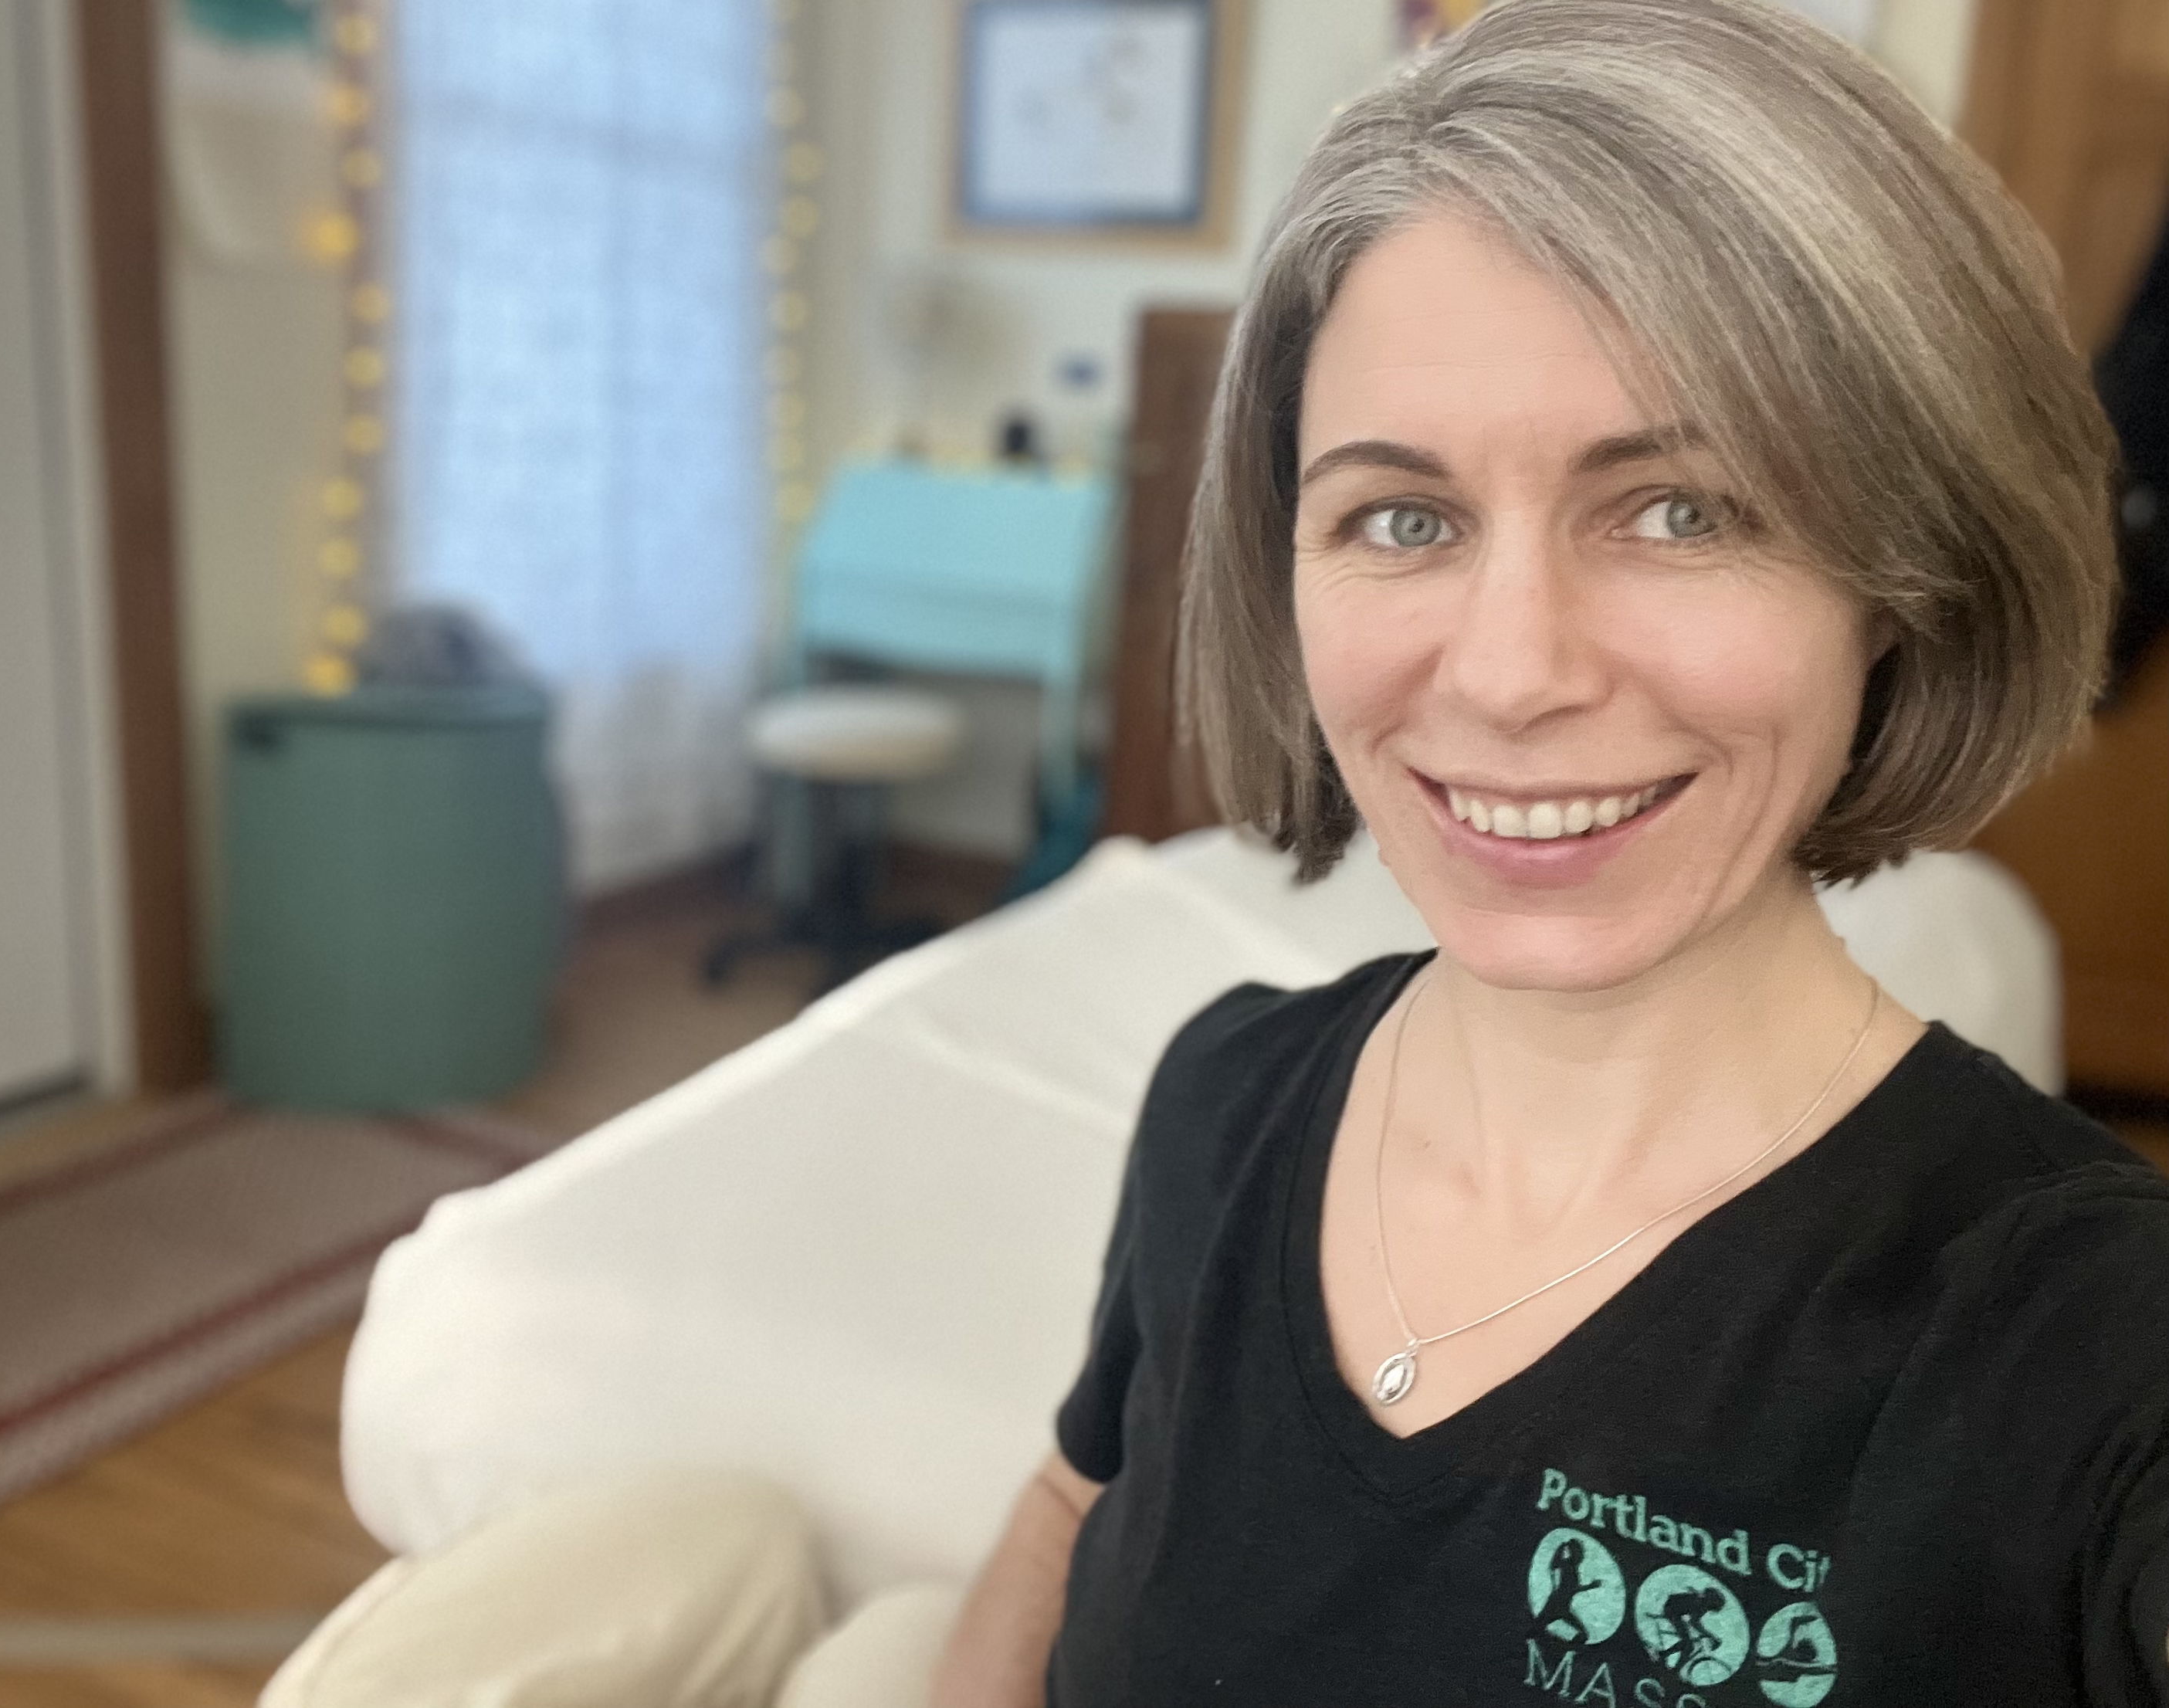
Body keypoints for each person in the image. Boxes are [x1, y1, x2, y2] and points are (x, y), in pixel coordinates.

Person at [927, 1, 2169, 1703]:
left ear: (1905, 572)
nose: (1511, 674)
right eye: (1403, 517)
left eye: (1681, 509)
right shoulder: (1224, 1096)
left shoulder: (2086, 1338)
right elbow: (1073, 1503)